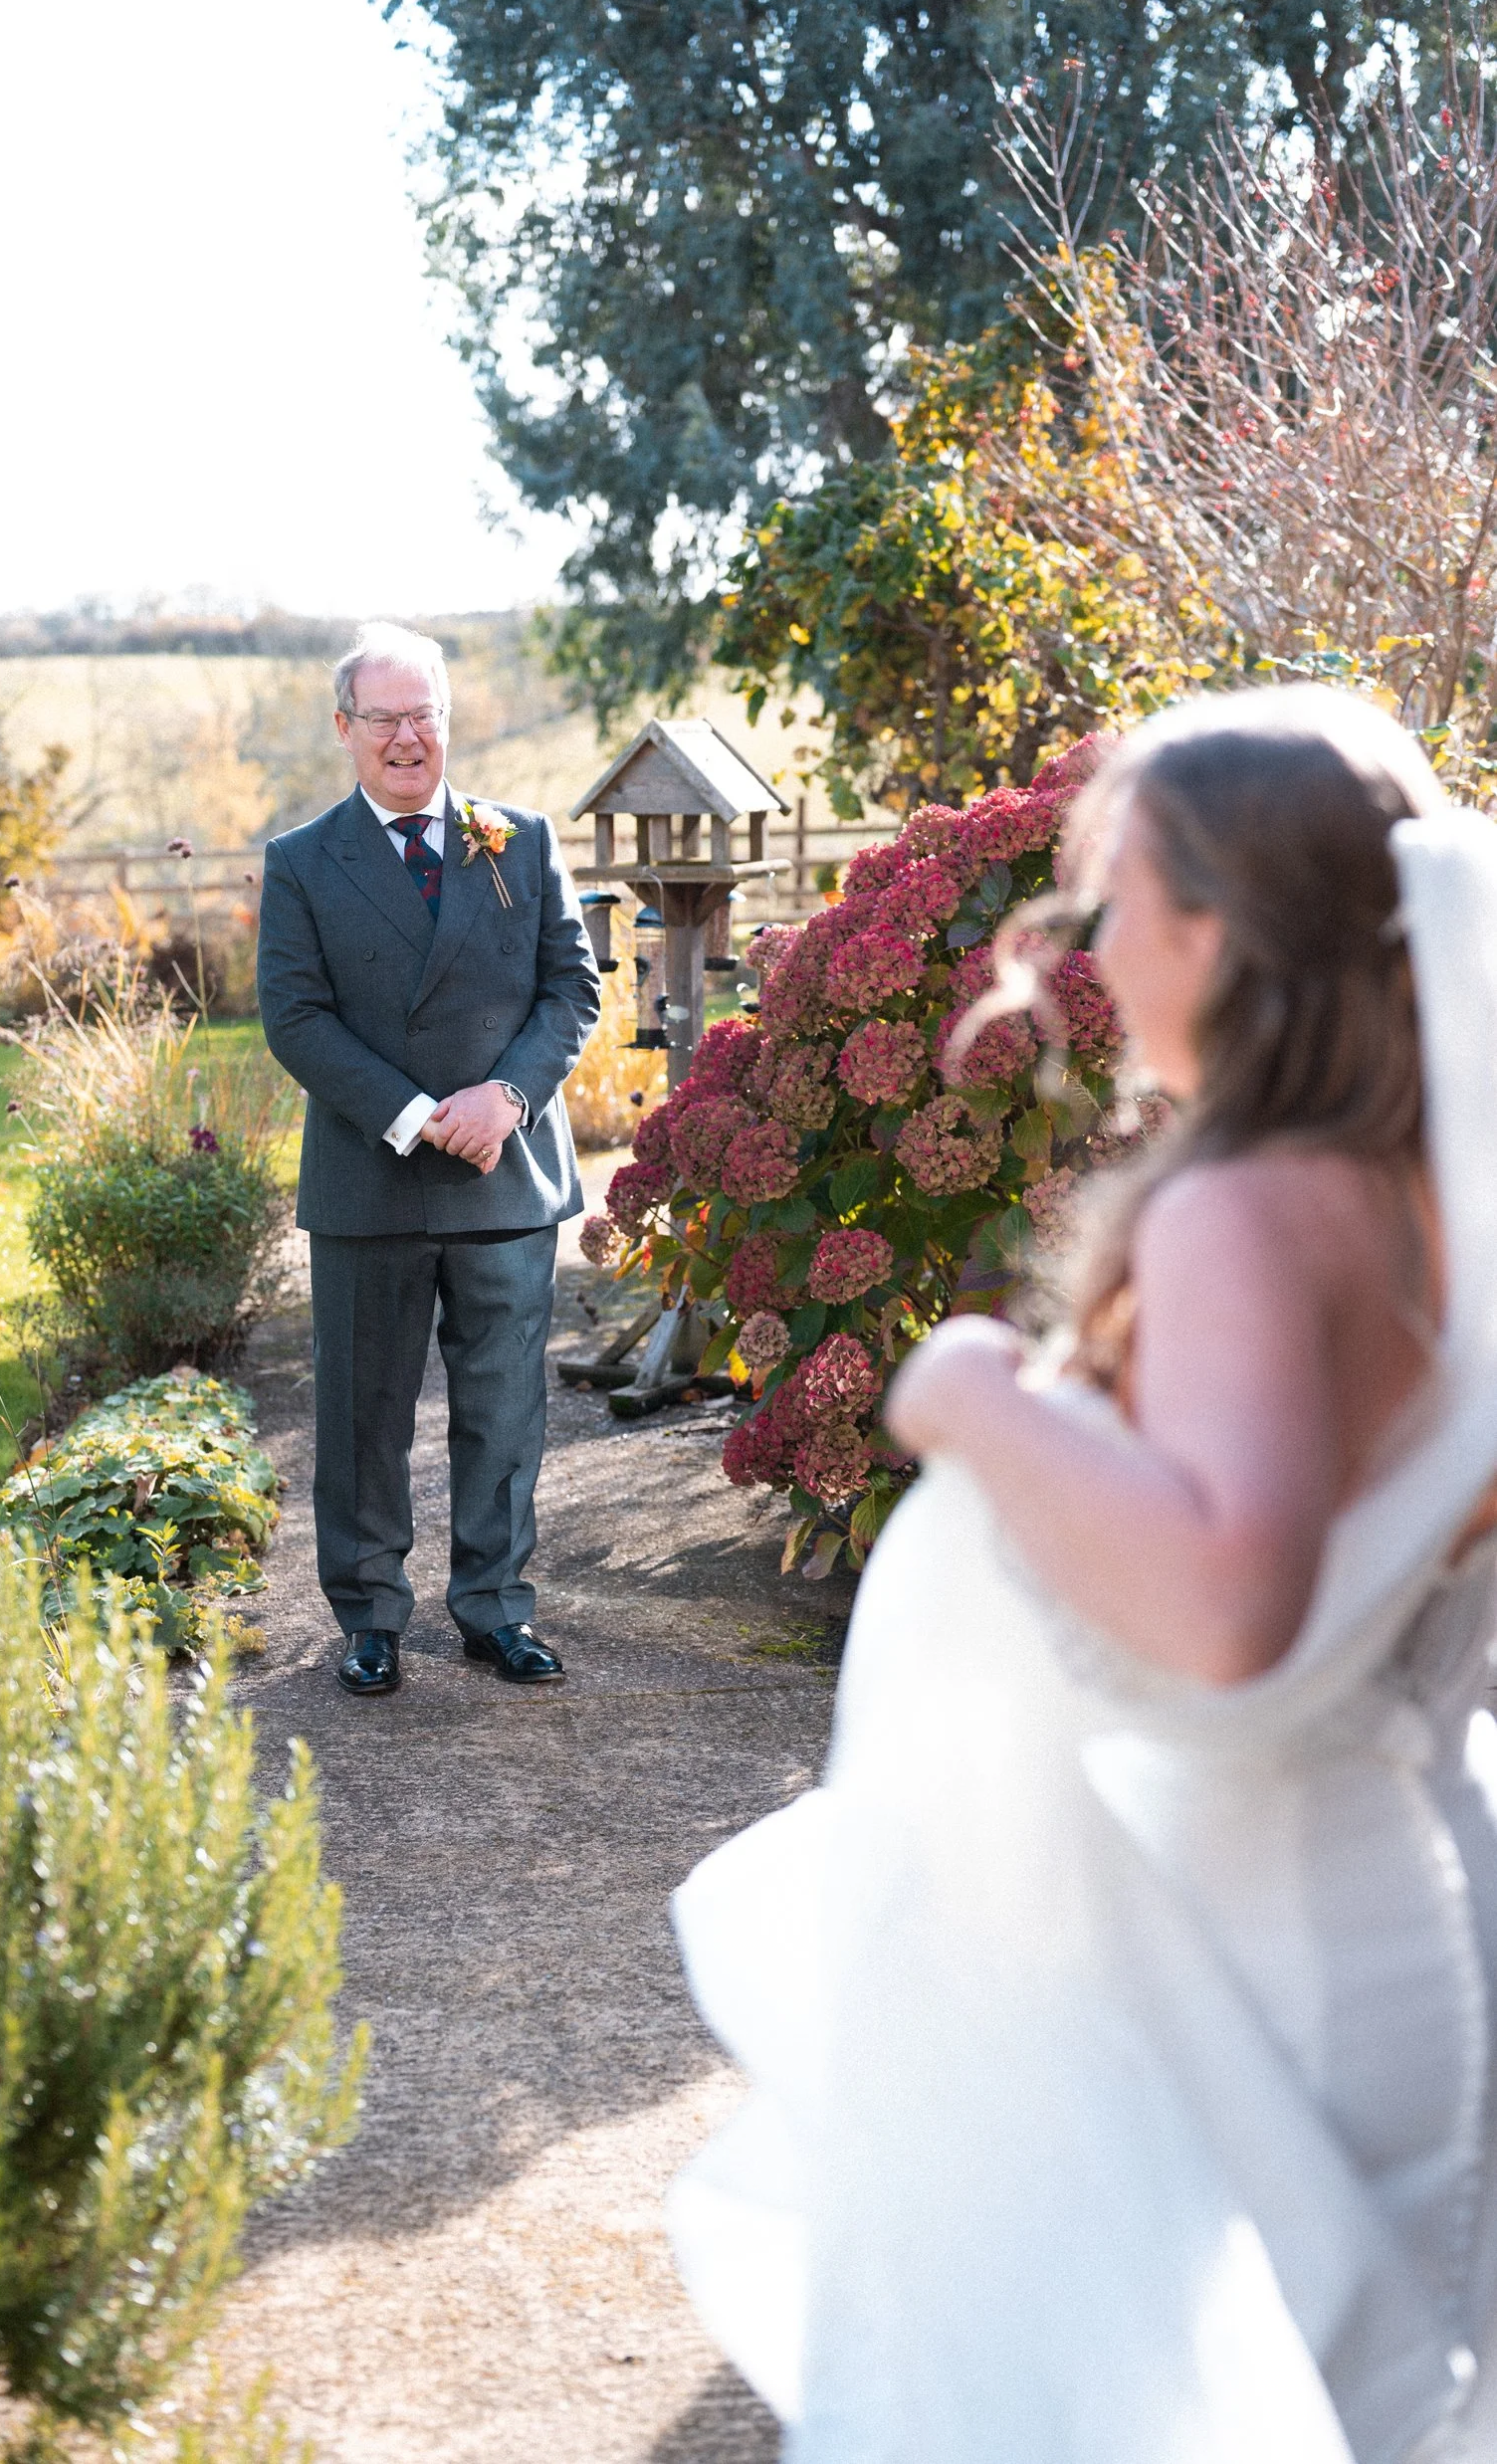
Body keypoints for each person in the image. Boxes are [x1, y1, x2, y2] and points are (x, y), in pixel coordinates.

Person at [668, 687, 1497, 2462]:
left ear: (1220, 930)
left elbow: (1224, 1606)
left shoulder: (1245, 1210)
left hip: (1264, 1941)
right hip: (1397, 1887)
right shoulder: (1428, 1199)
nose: (1094, 947)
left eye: (1125, 901)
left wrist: (968, 1391)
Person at [257, 622, 600, 1698]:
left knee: (504, 1413)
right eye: (384, 719)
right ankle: (369, 1619)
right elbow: (295, 1017)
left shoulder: (523, 840)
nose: (407, 738)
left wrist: (506, 1096)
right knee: (362, 1416)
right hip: (371, 1180)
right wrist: (410, 1113)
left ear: (446, 719)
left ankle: (495, 1610)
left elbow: (570, 990)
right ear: (345, 729)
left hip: (505, 1176)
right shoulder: (302, 862)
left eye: (425, 715)